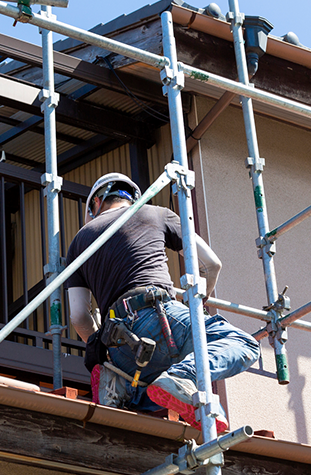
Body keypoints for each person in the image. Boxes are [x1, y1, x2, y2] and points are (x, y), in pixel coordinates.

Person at [65, 172, 259, 433]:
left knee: (152, 386)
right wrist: (198, 306)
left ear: (96, 203)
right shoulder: (155, 213)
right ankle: (185, 380)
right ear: (131, 196)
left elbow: (79, 316)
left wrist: (105, 350)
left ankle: (120, 381)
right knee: (242, 344)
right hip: (159, 315)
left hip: (119, 344)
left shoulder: (79, 241)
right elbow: (212, 264)